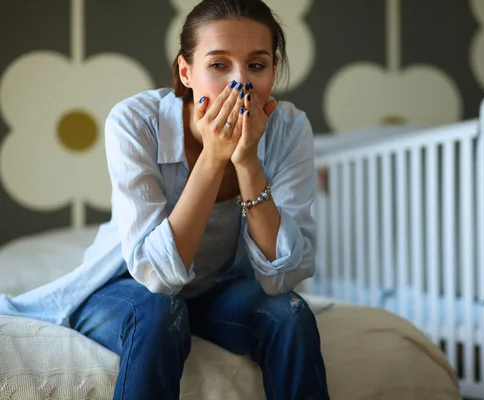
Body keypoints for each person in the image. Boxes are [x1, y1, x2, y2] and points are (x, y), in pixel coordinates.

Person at [0, 0, 330, 399]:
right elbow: (156, 277)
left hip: (219, 288)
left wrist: (246, 162)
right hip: (128, 284)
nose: (239, 83)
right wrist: (212, 158)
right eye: (219, 65)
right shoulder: (135, 122)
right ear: (186, 72)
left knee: (290, 315)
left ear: (273, 72)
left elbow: (281, 278)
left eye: (256, 66)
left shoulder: (289, 129)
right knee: (160, 310)